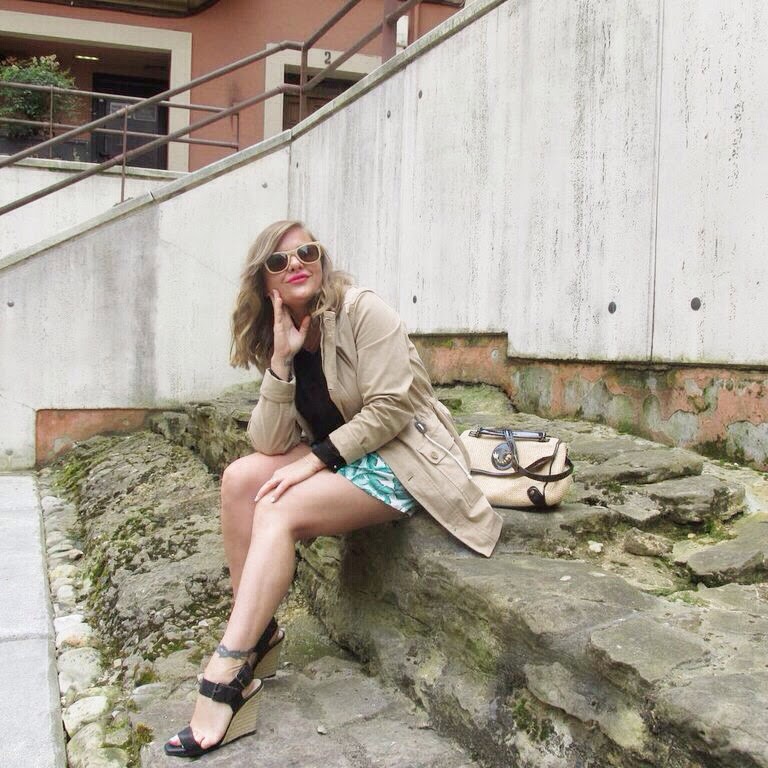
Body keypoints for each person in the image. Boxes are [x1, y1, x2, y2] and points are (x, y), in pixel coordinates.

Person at [164, 220, 502, 757]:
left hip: (402, 456)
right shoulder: (287, 334)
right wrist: (281, 361)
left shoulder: (364, 310)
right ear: (265, 281)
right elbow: (268, 442)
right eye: (279, 260)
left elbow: (392, 409)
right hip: (345, 456)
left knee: (277, 508)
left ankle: (226, 670)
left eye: (307, 251)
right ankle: (258, 636)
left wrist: (314, 464)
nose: (296, 264)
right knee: (239, 480)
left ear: (321, 258)